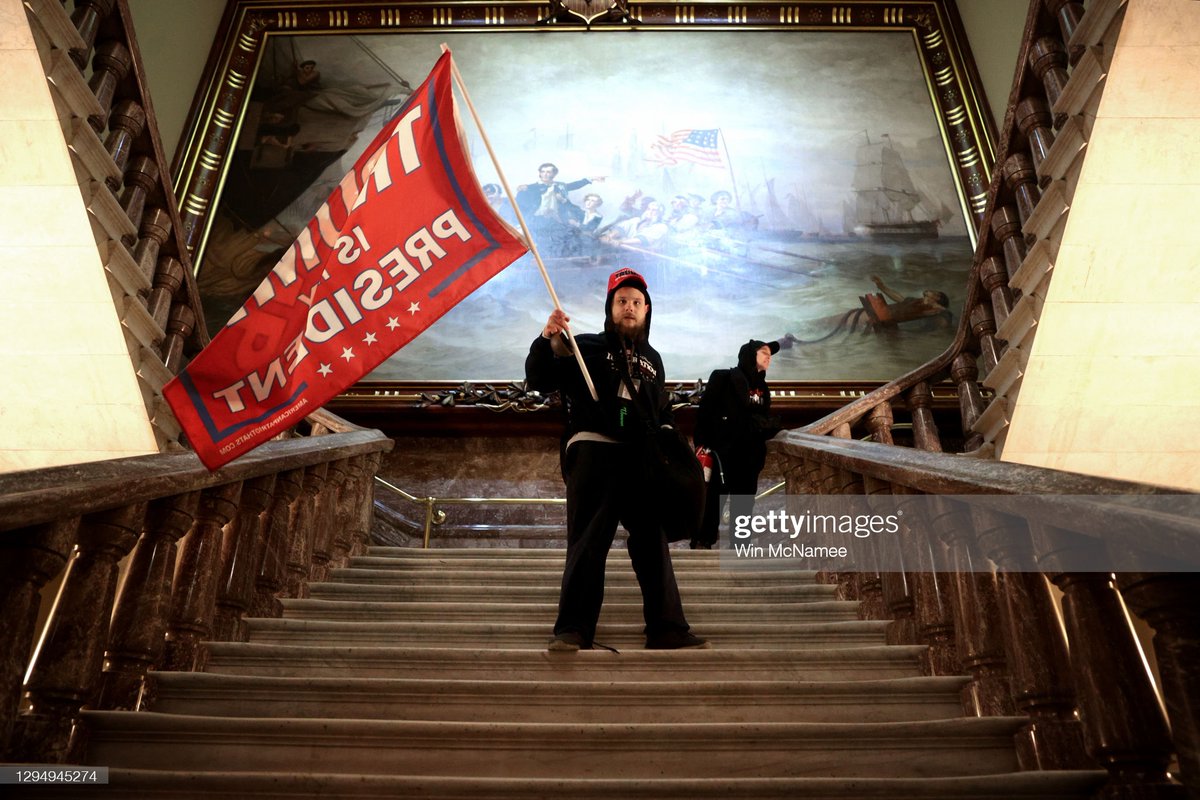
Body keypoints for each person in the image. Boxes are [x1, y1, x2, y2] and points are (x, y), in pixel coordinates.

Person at [525, 268, 708, 652]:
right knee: (588, 540)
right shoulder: (584, 346)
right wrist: (546, 338)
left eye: (637, 302)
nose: (630, 307)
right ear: (610, 307)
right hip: (595, 451)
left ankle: (667, 629)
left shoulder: (653, 359)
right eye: (622, 300)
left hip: (642, 459)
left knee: (652, 542)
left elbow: (661, 411)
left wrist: (672, 443)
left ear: (647, 310)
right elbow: (540, 378)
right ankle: (573, 629)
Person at [692, 340, 783, 549]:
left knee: (744, 502)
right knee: (713, 500)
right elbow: (704, 414)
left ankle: (740, 546)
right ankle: (703, 542)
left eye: (770, 354)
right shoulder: (722, 377)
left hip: (749, 456)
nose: (768, 357)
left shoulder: (763, 388)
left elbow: (762, 419)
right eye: (764, 352)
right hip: (721, 453)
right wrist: (702, 446)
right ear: (750, 355)